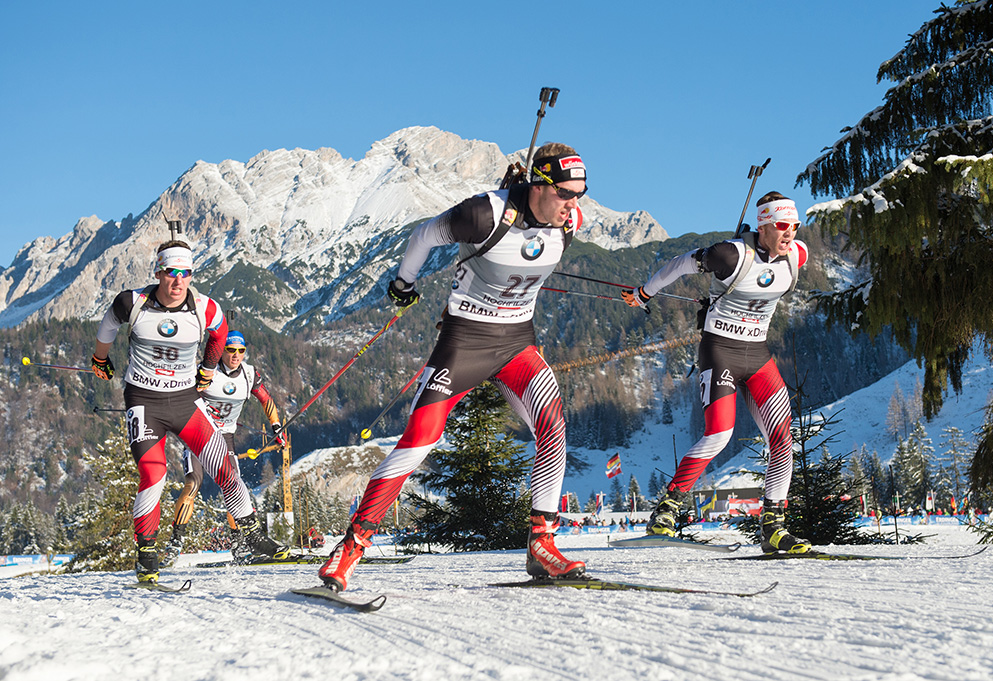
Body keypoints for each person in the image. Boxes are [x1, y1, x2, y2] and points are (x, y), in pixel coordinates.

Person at [319, 143, 589, 591]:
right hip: (464, 344)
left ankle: (542, 544)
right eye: (565, 193)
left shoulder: (570, 222)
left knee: (553, 426)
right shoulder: (483, 214)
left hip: (517, 344)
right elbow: (424, 236)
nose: (573, 205)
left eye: (579, 193)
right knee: (419, 439)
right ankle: (350, 548)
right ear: (539, 184)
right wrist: (403, 284)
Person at [622, 192, 812, 554]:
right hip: (720, 351)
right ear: (764, 225)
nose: (791, 234)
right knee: (719, 435)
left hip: (757, 355)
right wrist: (644, 293)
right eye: (783, 226)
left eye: (795, 226)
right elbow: (679, 264)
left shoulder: (797, 256)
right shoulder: (731, 254)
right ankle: (667, 508)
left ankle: (773, 526)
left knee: (783, 438)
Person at [91, 241, 289, 583]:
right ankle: (147, 552)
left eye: (185, 273)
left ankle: (252, 536)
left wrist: (208, 369)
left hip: (185, 403)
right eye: (171, 273)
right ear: (158, 273)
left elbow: (220, 334)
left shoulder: (205, 308)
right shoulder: (132, 302)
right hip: (144, 401)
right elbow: (107, 326)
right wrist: (100, 358)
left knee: (225, 467)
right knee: (154, 474)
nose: (178, 281)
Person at [161, 329, 287, 567]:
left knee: (234, 486)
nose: (236, 355)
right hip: (199, 434)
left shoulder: (249, 375)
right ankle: (175, 543)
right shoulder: (207, 372)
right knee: (193, 483)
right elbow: (182, 397)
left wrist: (276, 426)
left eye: (241, 350)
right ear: (220, 351)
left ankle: (238, 545)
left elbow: (266, 400)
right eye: (230, 350)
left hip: (226, 436)